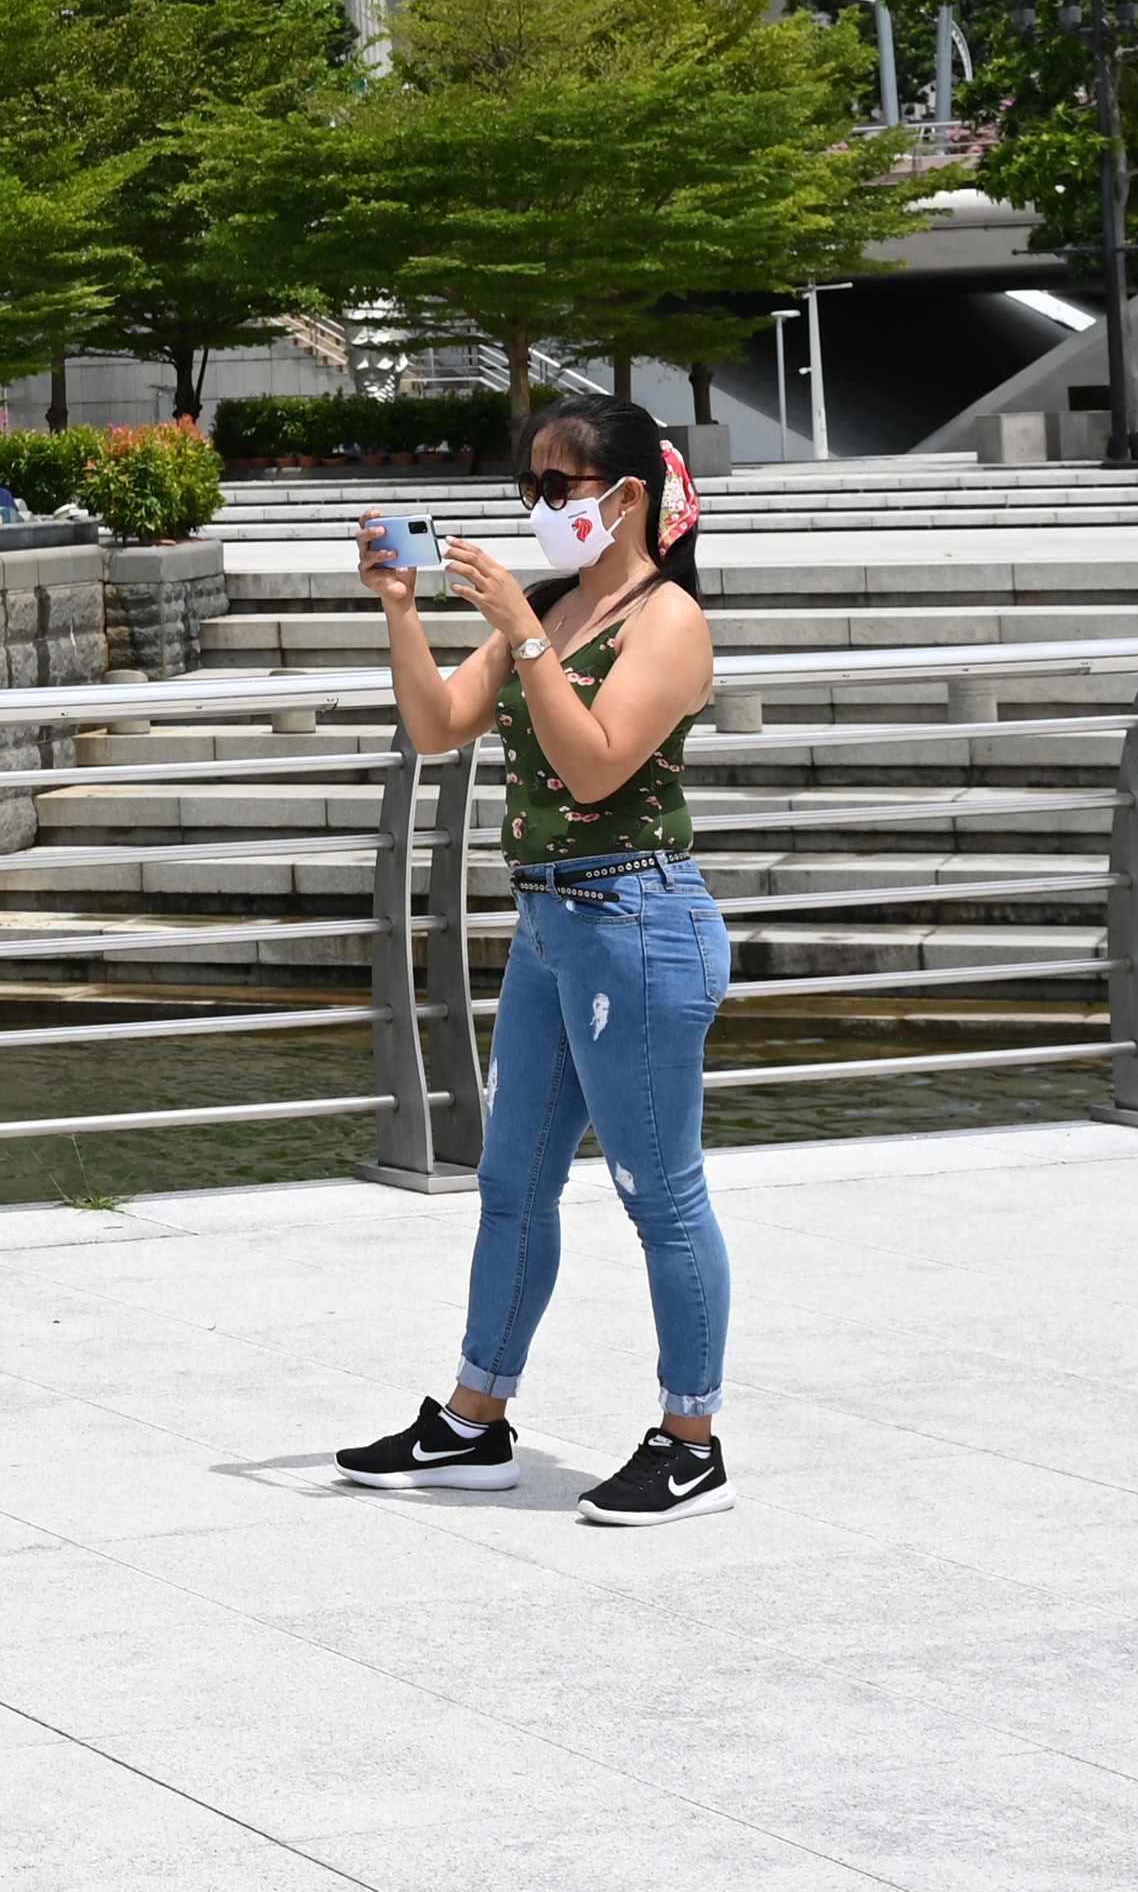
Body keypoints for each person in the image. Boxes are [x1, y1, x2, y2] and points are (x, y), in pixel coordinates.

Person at [333, 392, 734, 1527]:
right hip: (556, 930)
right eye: (531, 487)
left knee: (661, 1192)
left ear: (626, 497)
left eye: (560, 487)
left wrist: (519, 628)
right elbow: (439, 725)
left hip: (640, 924)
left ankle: (692, 1437)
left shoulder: (668, 621)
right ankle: (473, 1419)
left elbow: (598, 763)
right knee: (512, 1184)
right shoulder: (552, 608)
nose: (540, 506)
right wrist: (404, 611)